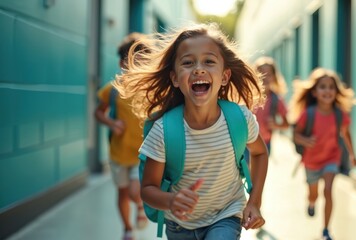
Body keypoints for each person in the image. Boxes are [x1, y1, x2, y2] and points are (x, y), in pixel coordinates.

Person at [113, 23, 269, 240]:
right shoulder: (163, 131)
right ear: (175, 78)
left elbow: (260, 153)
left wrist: (254, 201)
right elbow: (148, 188)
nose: (198, 69)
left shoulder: (239, 119)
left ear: (224, 76)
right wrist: (171, 200)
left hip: (226, 214)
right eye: (188, 62)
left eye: (209, 61)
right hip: (179, 226)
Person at [289, 67, 356, 240]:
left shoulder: (339, 114)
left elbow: (346, 133)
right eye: (322, 87)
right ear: (314, 92)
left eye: (331, 87)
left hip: (331, 158)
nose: (327, 90)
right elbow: (295, 135)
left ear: (336, 91)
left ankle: (326, 229)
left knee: (328, 191)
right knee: (314, 193)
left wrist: (352, 154)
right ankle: (311, 202)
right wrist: (306, 141)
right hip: (311, 161)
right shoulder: (308, 113)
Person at [94, 32, 151, 240]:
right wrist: (111, 122)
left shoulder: (150, 90)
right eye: (133, 60)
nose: (138, 65)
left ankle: (140, 205)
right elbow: (98, 112)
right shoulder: (112, 90)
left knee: (136, 192)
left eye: (143, 60)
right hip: (119, 152)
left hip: (141, 152)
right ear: (121, 63)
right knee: (122, 194)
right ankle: (127, 228)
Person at [253, 56, 289, 154]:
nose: (265, 77)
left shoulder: (276, 99)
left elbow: (286, 124)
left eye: (269, 74)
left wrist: (276, 124)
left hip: (265, 142)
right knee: (247, 169)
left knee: (260, 169)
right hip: (246, 142)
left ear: (274, 77)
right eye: (261, 73)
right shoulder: (247, 96)